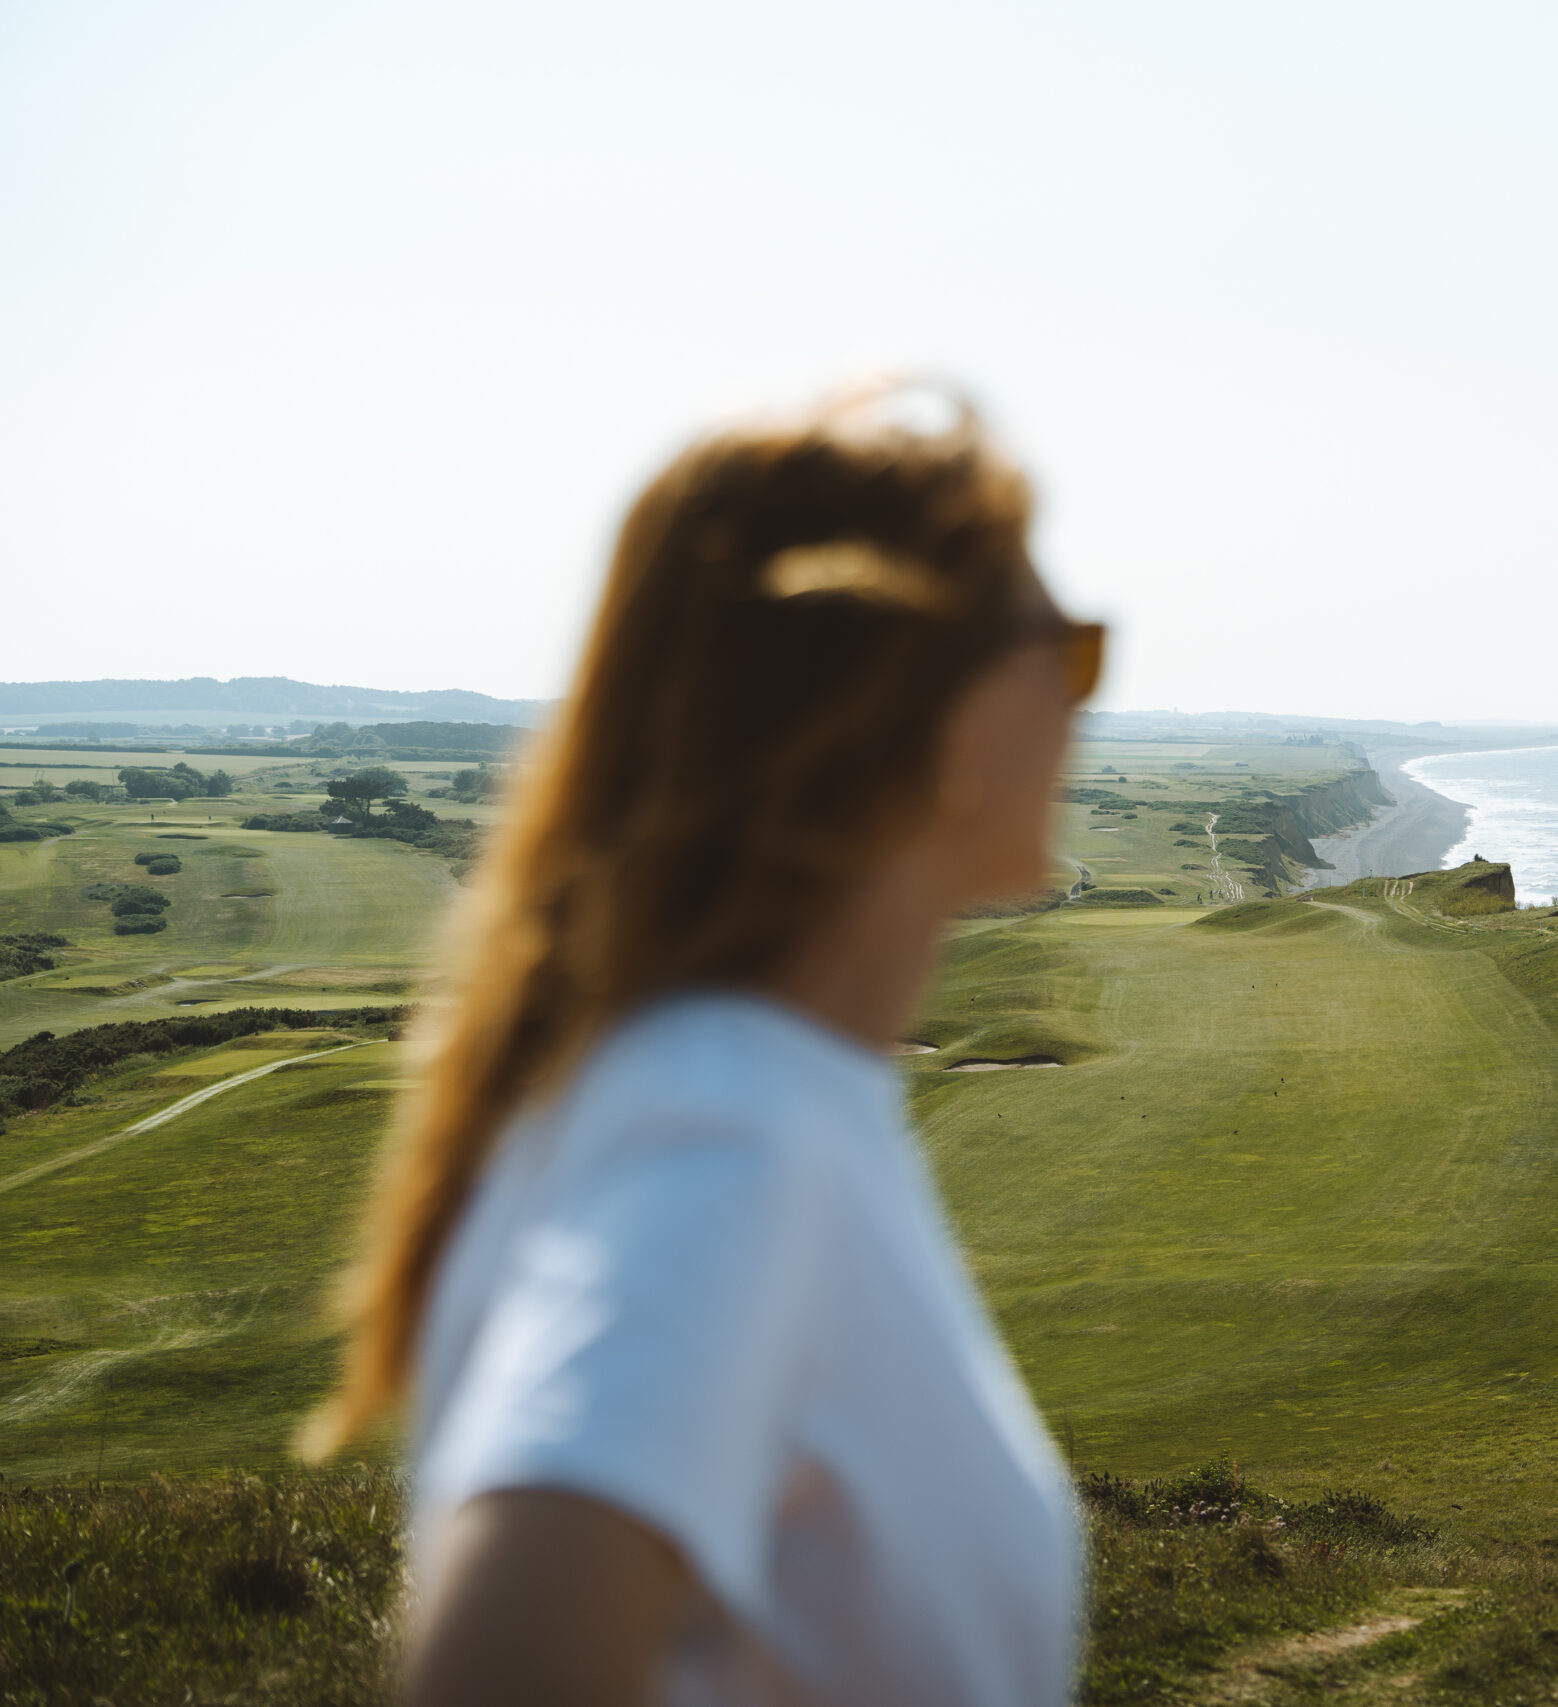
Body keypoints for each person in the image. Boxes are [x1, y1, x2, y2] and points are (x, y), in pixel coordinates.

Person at [300, 381, 1104, 1707]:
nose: (1085, 701)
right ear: (926, 706)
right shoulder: (732, 1129)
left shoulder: (694, 1086)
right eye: (1067, 651)